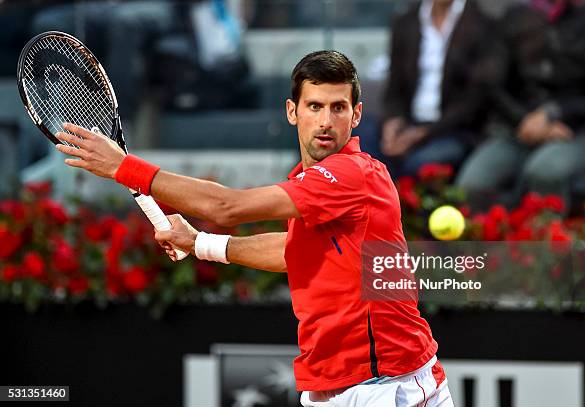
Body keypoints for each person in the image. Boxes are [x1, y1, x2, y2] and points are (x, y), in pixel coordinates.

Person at [54, 51, 454, 407]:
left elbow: (226, 207)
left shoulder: (355, 174)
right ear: (292, 111)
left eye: (338, 108)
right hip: (332, 386)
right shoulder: (307, 180)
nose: (326, 121)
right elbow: (294, 250)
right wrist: (200, 243)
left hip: (388, 385)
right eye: (314, 106)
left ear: (357, 114)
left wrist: (124, 167)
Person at [456, 0, 585, 211]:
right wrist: (525, 120)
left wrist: (553, 115)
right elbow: (493, 83)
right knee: (472, 184)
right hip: (520, 128)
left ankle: (548, 241)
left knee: (543, 171)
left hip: (577, 130)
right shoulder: (518, 16)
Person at [363, 0, 499, 179]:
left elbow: (475, 100)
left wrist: (422, 134)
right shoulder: (406, 22)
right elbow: (394, 89)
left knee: (419, 163)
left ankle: (398, 199)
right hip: (409, 122)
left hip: (452, 129)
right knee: (358, 137)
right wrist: (392, 122)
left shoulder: (482, 24)